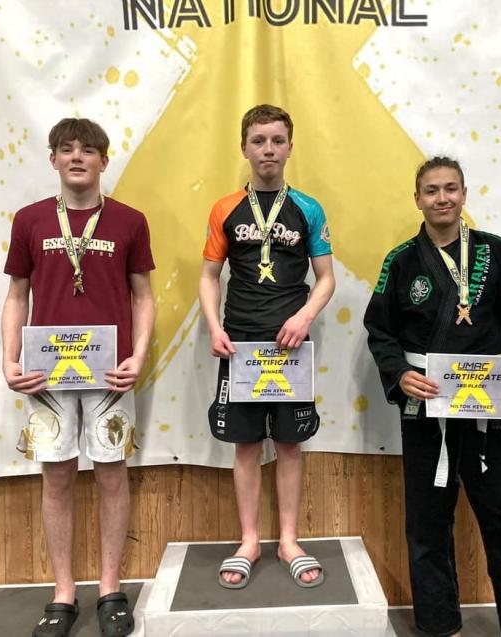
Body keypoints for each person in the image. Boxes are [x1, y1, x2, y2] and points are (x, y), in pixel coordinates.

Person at [363, 157, 501, 636]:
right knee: (427, 526)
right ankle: (439, 626)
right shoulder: (400, 260)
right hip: (427, 407)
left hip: (487, 406)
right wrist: (400, 373)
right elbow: (380, 330)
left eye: (450, 188)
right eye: (431, 190)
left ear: (464, 194)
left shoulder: (494, 250)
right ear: (418, 199)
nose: (441, 198)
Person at [2, 118, 155, 637]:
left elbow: (143, 296)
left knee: (112, 475)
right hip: (45, 375)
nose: (76, 157)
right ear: (53, 160)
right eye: (66, 149)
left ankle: (111, 589)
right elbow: (16, 295)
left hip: (110, 372)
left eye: (87, 150)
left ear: (103, 161)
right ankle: (63, 591)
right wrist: (9, 360)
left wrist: (139, 355)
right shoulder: (29, 220)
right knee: (57, 477)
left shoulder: (130, 221)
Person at [199, 104, 335, 589]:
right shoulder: (224, 209)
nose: (268, 149)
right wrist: (214, 327)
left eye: (277, 140)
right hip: (240, 345)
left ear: (290, 147)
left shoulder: (309, 209)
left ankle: (290, 541)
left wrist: (304, 316)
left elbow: (326, 278)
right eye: (258, 141)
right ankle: (250, 541)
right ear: (244, 148)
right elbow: (209, 276)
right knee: (246, 445)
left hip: (290, 347)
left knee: (290, 444)